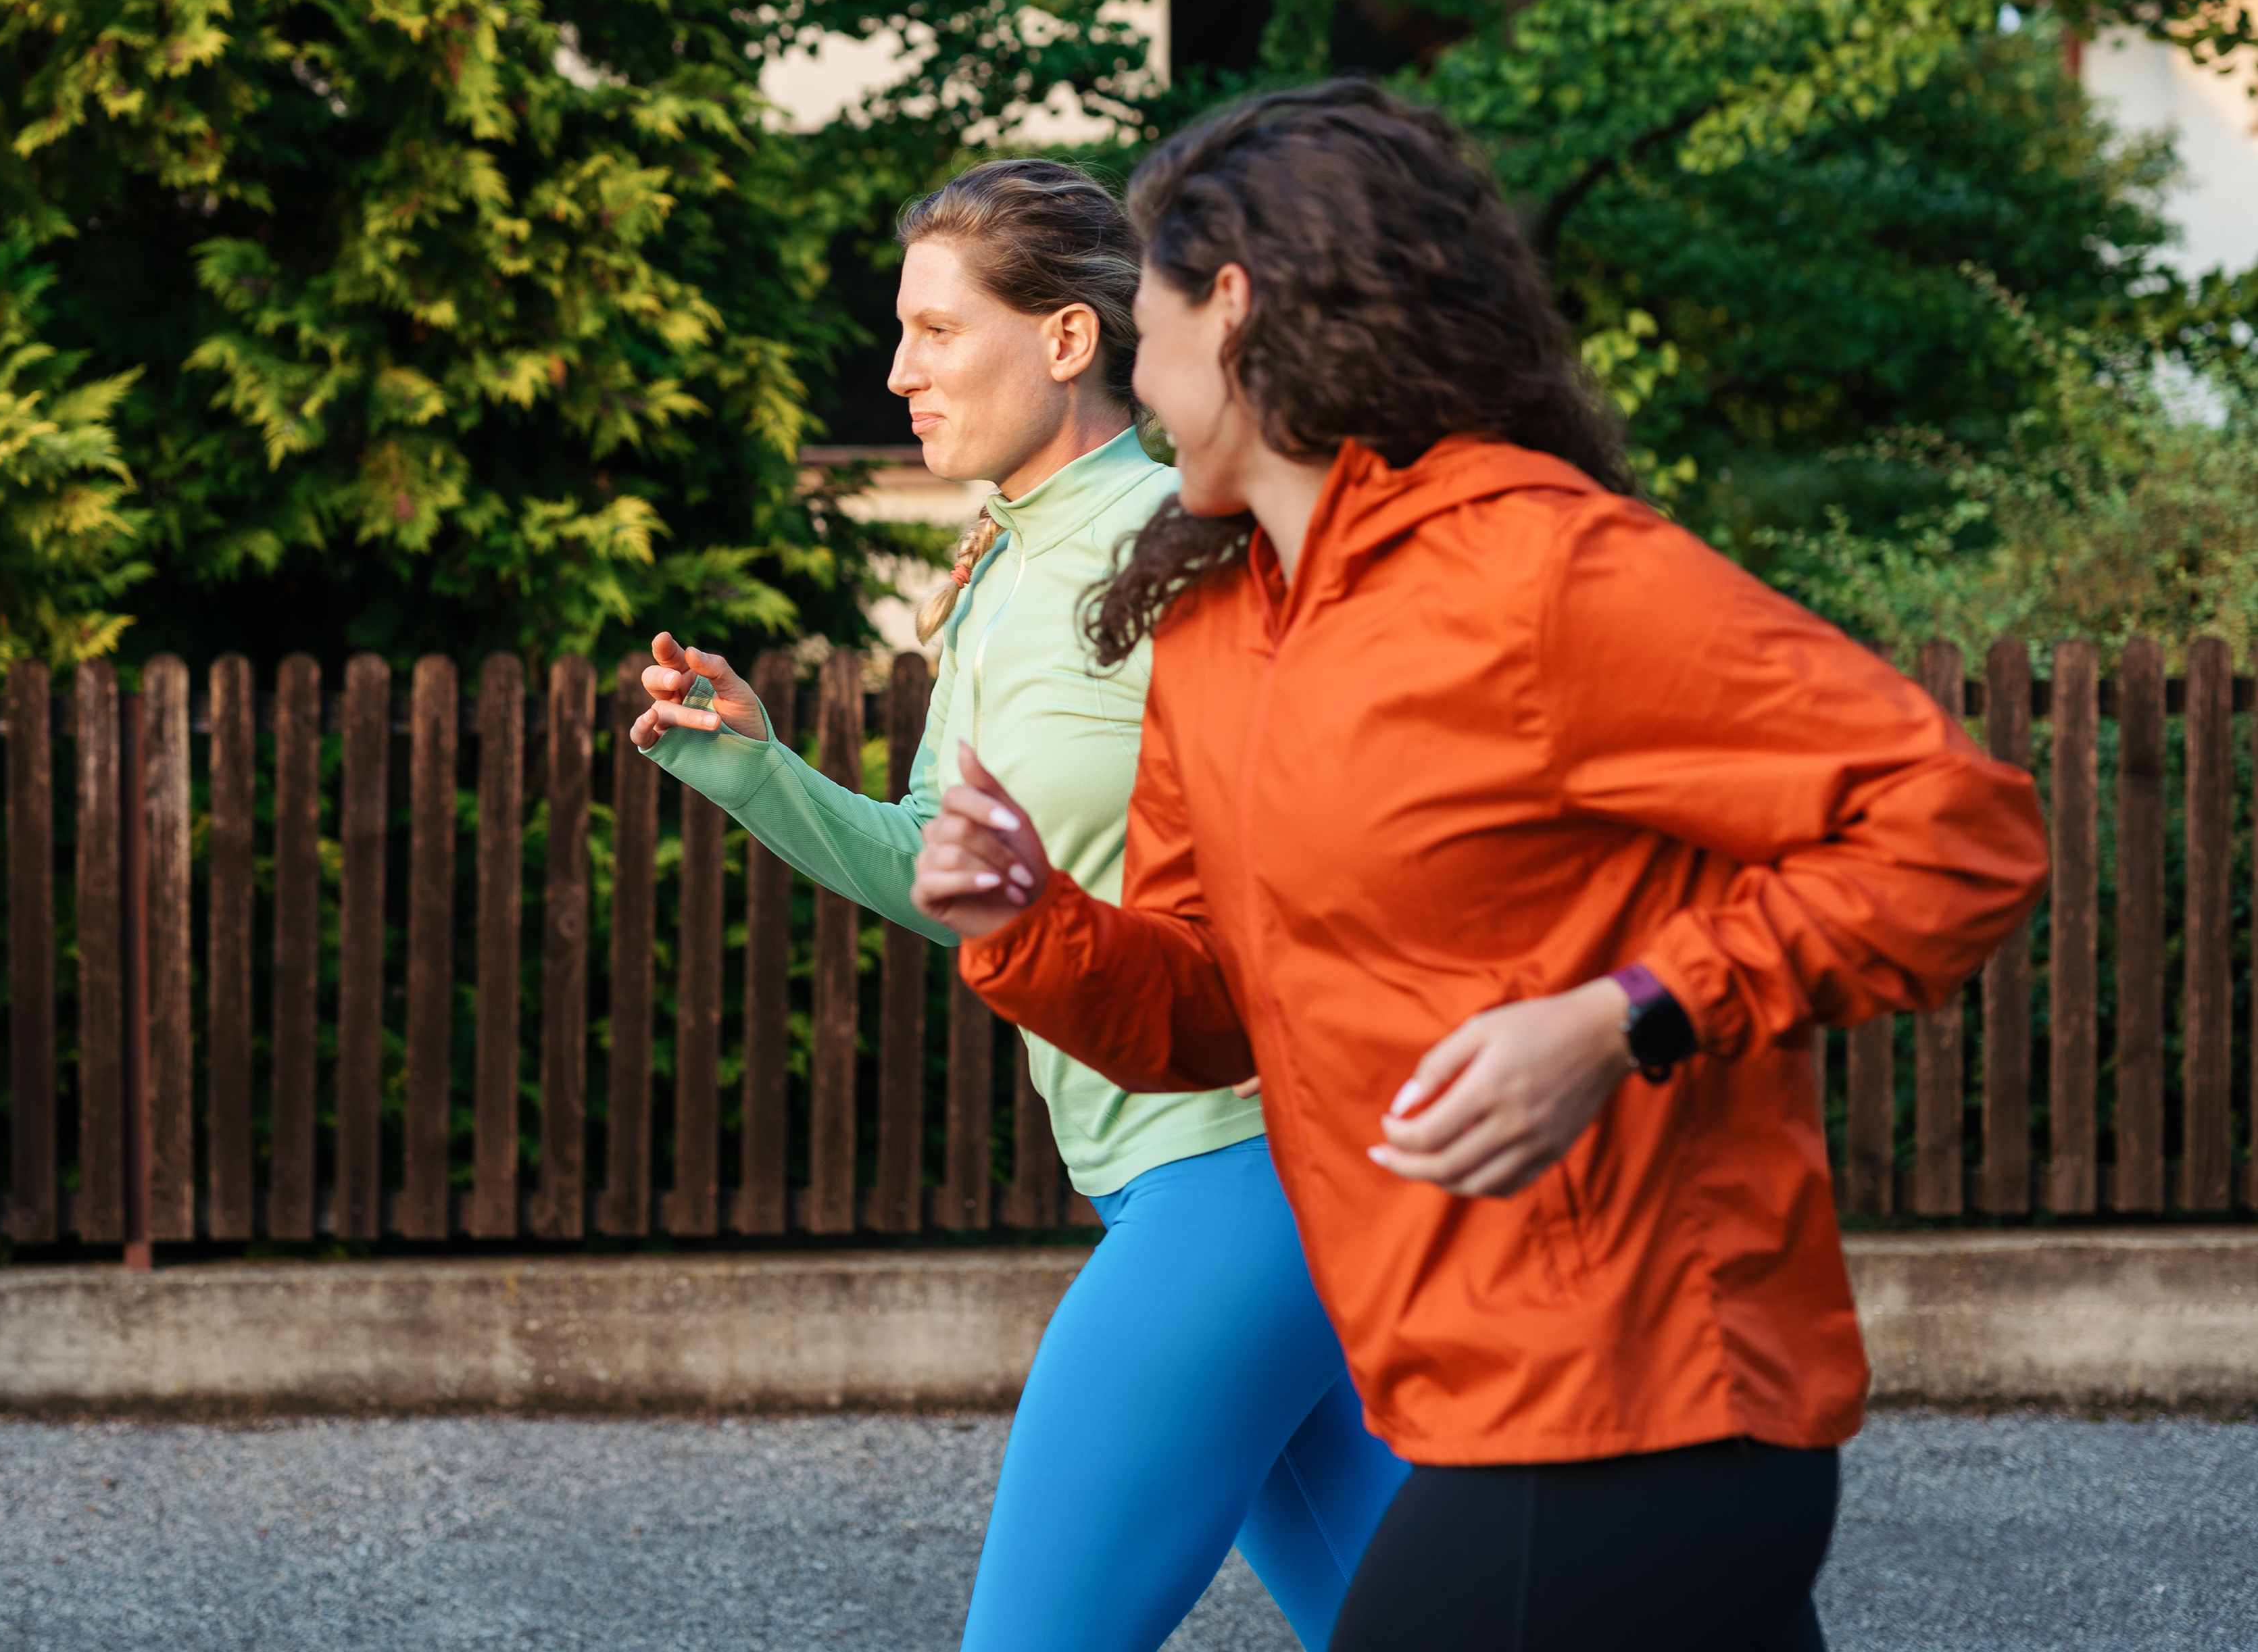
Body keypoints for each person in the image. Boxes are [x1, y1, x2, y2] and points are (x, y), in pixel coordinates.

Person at [912, 86, 2049, 1652]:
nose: (1138, 363)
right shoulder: (1218, 628)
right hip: (1451, 1386)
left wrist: (1627, 1015)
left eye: (1149, 312)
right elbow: (1214, 1010)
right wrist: (1031, 922)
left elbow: (1958, 826)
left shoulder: (1541, 570)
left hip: (1648, 1392)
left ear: (1231, 311)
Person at [627, 157, 1408, 1651]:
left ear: (1065, 339)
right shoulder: (998, 568)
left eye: (936, 330)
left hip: (1254, 1169)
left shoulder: (1191, 546)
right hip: (1157, 1174)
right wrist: (761, 775)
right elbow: (955, 875)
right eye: (902, 332)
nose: (899, 371)